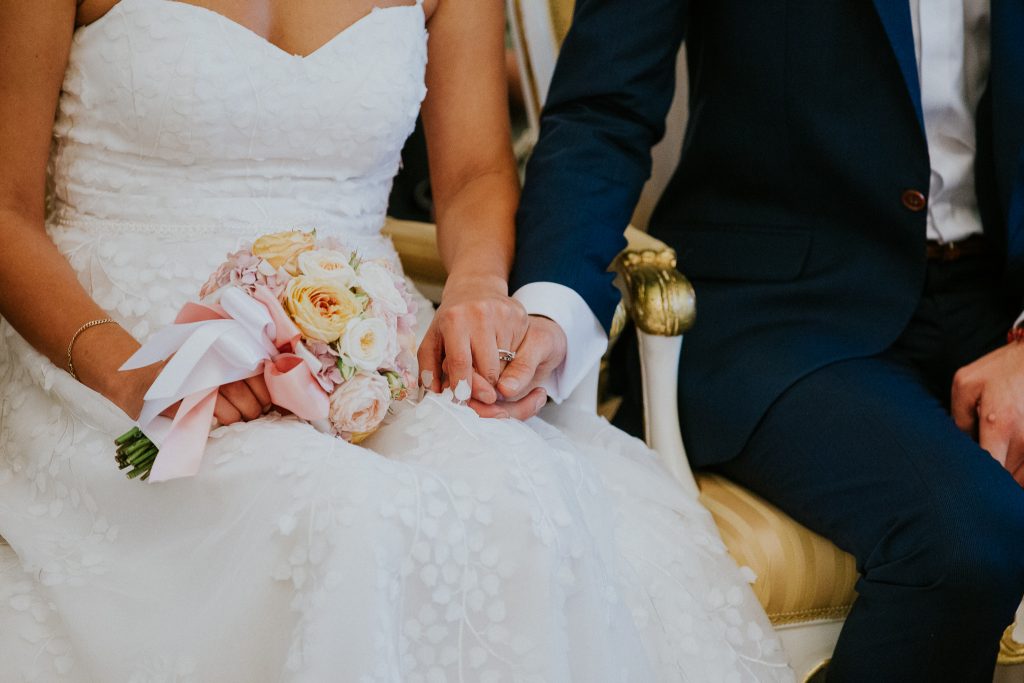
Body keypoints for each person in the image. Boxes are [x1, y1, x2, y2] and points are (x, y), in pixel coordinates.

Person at [0, 1, 792, 680]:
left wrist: (477, 285)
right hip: (116, 347)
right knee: (345, 517)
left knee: (521, 505)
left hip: (366, 339)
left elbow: (475, 173)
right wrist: (133, 373)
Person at [508, 0, 1024, 680]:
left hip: (998, 300)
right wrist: (548, 313)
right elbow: (603, 110)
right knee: (965, 535)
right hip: (781, 314)